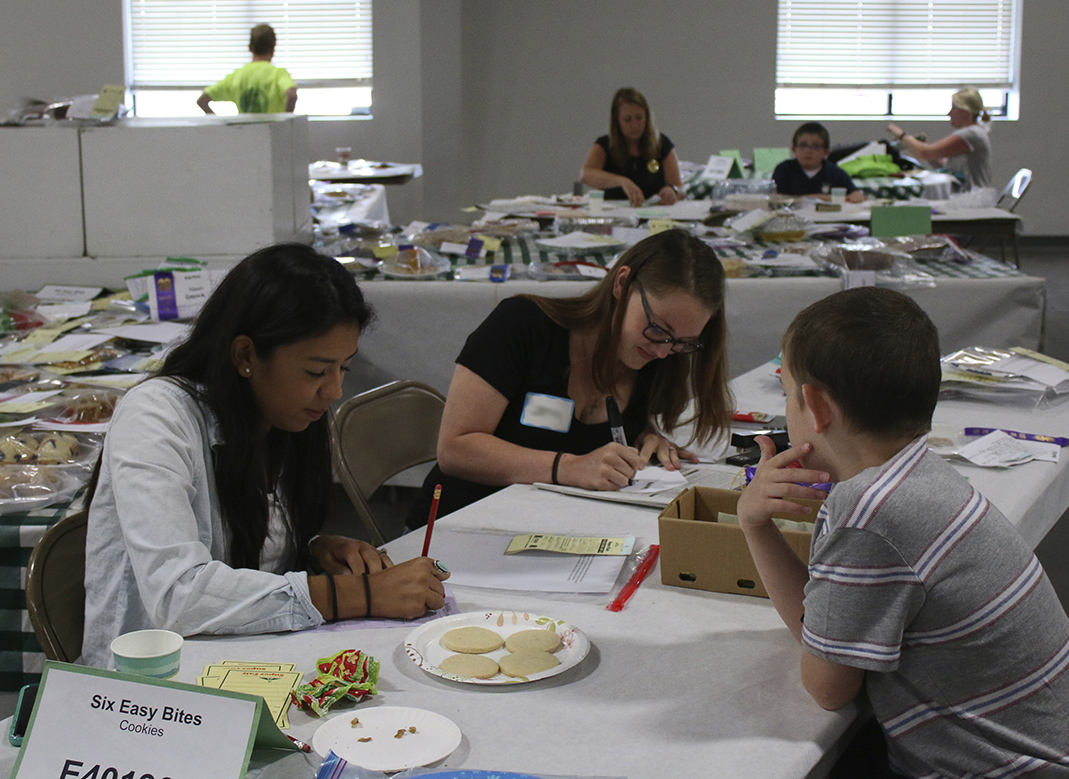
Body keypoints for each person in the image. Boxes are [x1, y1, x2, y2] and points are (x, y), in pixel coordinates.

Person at [737, 287, 1069, 778]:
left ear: (816, 406)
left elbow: (827, 687)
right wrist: (755, 523)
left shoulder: (867, 513)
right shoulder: (915, 475)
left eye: (787, 396)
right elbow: (822, 635)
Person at [81, 244, 448, 669]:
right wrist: (360, 594)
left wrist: (310, 551)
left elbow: (242, 546)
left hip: (248, 662)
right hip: (148, 694)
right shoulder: (156, 417)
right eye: (316, 371)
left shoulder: (277, 417)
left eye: (344, 368)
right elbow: (178, 597)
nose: (333, 391)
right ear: (245, 356)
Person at [408, 229, 732, 526]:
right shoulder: (522, 327)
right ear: (621, 283)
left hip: (554, 528)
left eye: (682, 342)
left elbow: (576, 432)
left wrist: (646, 435)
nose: (663, 351)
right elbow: (455, 449)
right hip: (458, 527)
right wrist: (570, 468)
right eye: (658, 329)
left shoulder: (651, 358)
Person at [581, 88, 684, 207]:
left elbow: (681, 188)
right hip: (615, 213)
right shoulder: (605, 145)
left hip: (655, 215)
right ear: (617, 121)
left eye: (639, 118)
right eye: (627, 120)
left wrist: (673, 191)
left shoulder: (661, 144)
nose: (634, 125)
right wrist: (623, 182)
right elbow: (586, 175)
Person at [887, 87, 992, 189]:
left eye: (954, 108)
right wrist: (918, 144)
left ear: (965, 111)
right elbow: (947, 166)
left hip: (972, 198)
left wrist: (902, 135)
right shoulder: (974, 133)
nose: (949, 113)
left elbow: (924, 153)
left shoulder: (971, 134)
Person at [197, 24, 297, 115]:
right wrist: (286, 121)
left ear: (250, 48)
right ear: (273, 48)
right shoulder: (278, 74)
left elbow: (202, 101)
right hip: (274, 133)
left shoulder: (236, 76)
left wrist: (221, 125)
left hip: (245, 133)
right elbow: (291, 94)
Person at [772, 122, 865, 203]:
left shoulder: (836, 174)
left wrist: (857, 195)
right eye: (803, 145)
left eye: (815, 146)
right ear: (794, 149)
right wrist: (817, 198)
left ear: (826, 152)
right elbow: (775, 198)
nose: (808, 151)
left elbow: (855, 194)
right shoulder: (783, 170)